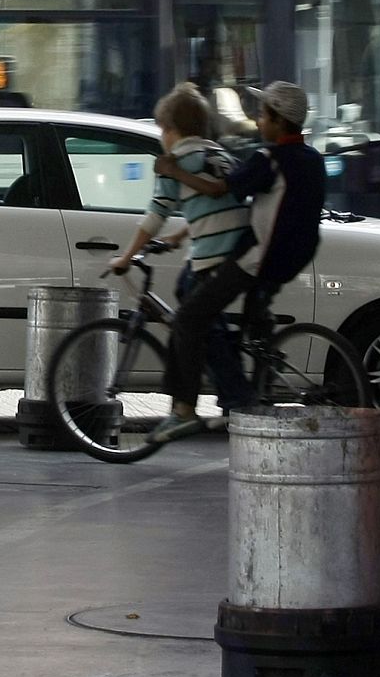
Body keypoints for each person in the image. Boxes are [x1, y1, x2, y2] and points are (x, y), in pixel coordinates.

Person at [151, 81, 326, 442]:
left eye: (263, 115)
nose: (258, 122)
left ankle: (190, 408)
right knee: (234, 323)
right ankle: (245, 389)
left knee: (190, 317)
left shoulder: (269, 160)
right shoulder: (313, 159)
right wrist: (184, 234)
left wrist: (174, 171)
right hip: (294, 257)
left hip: (259, 258)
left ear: (278, 121)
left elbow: (220, 190)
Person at [109, 85, 252, 440]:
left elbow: (155, 214)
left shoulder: (175, 163)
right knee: (186, 292)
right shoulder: (218, 154)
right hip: (236, 252)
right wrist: (179, 237)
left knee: (191, 323)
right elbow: (214, 205)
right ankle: (229, 393)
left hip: (216, 258)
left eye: (161, 129)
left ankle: (213, 404)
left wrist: (126, 257)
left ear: (171, 130)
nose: (161, 137)